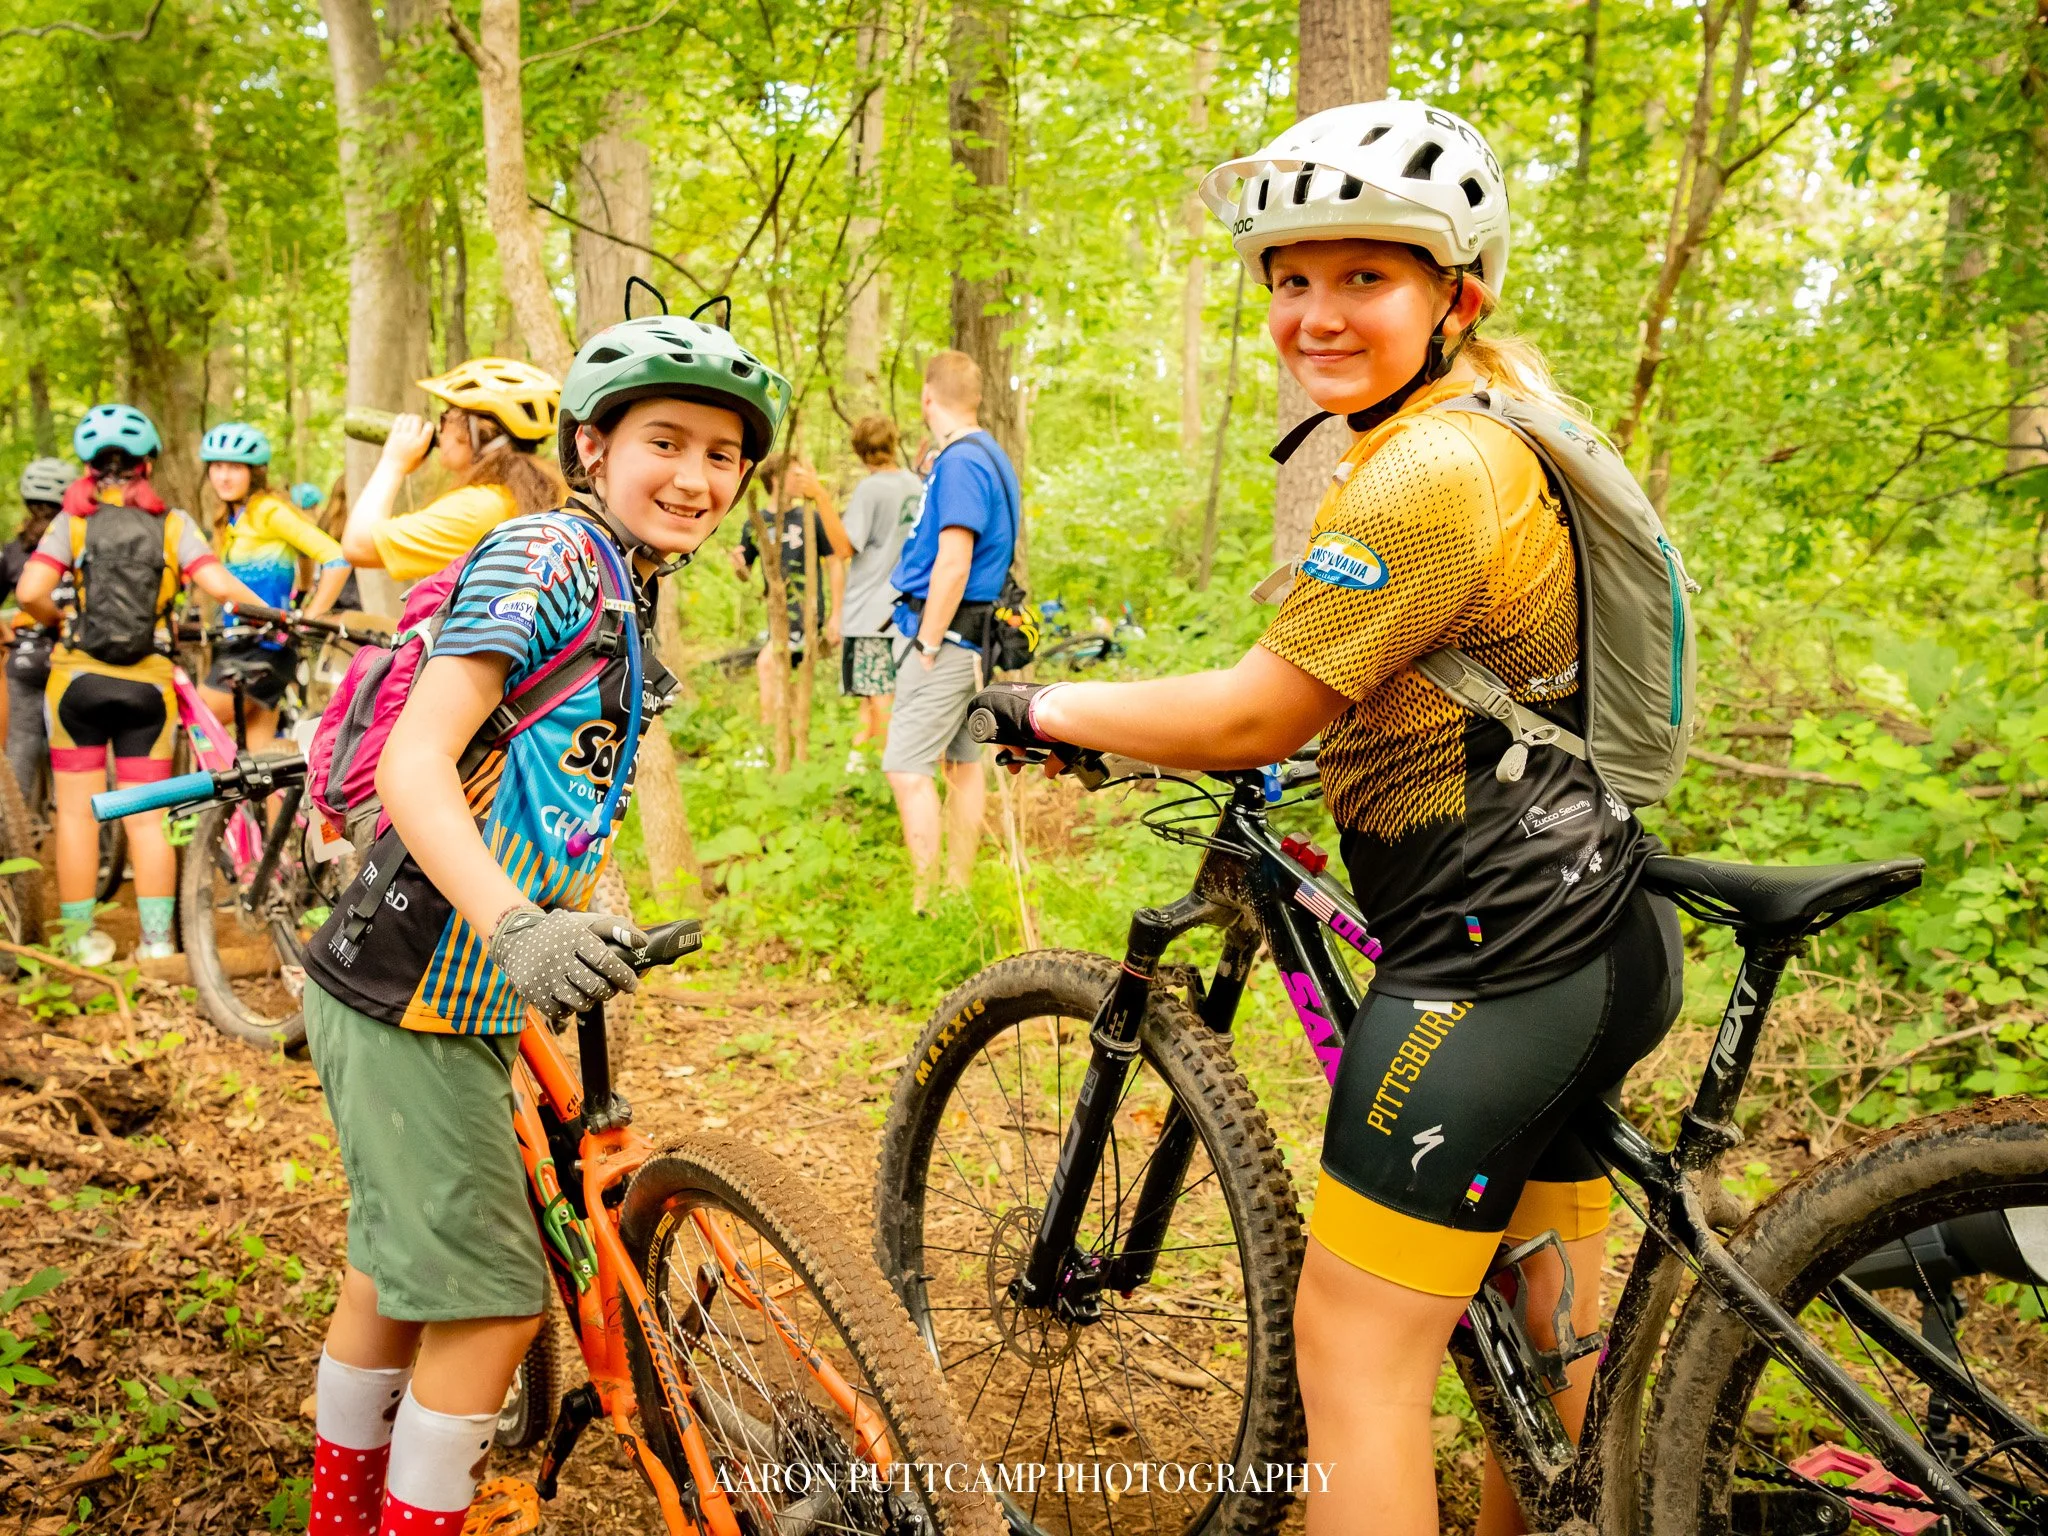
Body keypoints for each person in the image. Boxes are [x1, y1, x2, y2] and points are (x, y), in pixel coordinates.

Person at [972, 103, 1681, 1536]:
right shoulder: (1502, 427)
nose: (1314, 314)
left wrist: (1049, 708)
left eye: (1364, 276)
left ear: (1455, 295)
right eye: (1290, 278)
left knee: (1355, 1355)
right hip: (1602, 919)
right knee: (1544, 1341)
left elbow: (1255, 713)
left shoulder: (1426, 473)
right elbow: (1440, 684)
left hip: (1495, 957)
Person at [294, 312, 787, 1536]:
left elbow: (555, 786)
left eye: (723, 454)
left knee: (391, 1274)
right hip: (413, 982)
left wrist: (585, 916)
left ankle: (341, 1517)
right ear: (591, 447)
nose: (696, 477)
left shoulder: (622, 587)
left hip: (446, 990)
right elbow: (417, 761)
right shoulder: (547, 555)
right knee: (494, 1301)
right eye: (665, 442)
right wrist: (520, 926)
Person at [18, 406, 265, 963]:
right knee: (147, 819)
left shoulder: (71, 523)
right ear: (147, 466)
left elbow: (31, 591)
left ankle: (79, 943)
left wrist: (63, 623)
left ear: (89, 468)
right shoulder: (173, 524)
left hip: (76, 681)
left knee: (76, 815)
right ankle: (156, 945)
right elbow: (220, 585)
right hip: (147, 688)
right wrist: (274, 617)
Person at [882, 351, 1019, 910]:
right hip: (972, 640)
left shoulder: (962, 461)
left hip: (948, 639)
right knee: (964, 763)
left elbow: (955, 560)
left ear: (927, 397)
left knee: (905, 767)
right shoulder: (987, 455)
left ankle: (926, 903)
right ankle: (958, 892)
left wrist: (928, 642)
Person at [196, 423, 350, 753]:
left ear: (255, 472)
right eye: (217, 466)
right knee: (259, 761)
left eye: (234, 467)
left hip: (261, 650)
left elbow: (337, 558)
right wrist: (302, 590)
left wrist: (308, 616)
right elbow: (302, 556)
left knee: (197, 725)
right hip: (245, 645)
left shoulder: (267, 510)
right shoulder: (233, 518)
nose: (223, 476)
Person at [339, 358, 562, 584]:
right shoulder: (546, 494)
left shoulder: (476, 510)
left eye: (446, 418)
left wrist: (393, 463)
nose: (439, 429)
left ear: (476, 433)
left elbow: (358, 545)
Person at [732, 454, 849, 720]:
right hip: (776, 613)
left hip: (806, 610)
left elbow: (835, 563)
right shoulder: (756, 522)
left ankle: (767, 730)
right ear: (777, 479)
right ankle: (788, 735)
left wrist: (836, 615)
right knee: (787, 676)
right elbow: (744, 574)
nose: (802, 480)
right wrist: (738, 565)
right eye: (796, 475)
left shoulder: (809, 517)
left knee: (767, 664)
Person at [833, 416, 920, 770]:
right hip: (905, 611)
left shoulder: (871, 489)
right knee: (872, 694)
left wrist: (820, 499)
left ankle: (893, 772)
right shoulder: (914, 485)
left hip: (869, 611)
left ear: (859, 450)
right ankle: (857, 765)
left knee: (880, 695)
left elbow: (844, 546)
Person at [3, 459, 70, 803]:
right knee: (78, 751)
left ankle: (14, 827)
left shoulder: (13, 551)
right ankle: (98, 834)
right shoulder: (77, 541)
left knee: (21, 746)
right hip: (71, 658)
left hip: (26, 659)